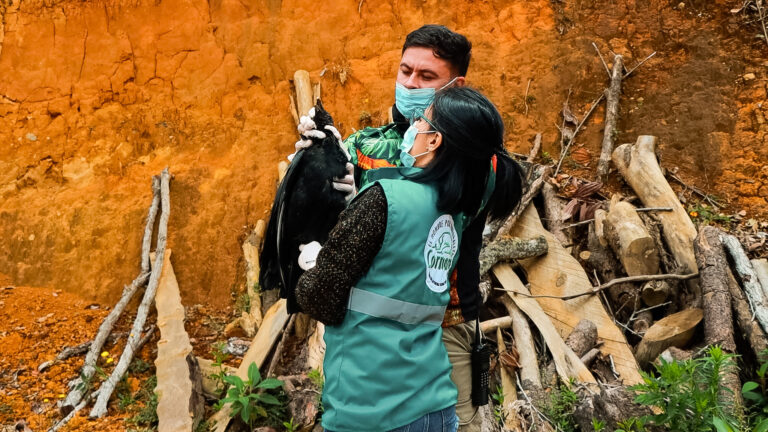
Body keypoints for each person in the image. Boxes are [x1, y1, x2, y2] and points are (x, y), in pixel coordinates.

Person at [294, 24, 519, 431]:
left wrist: (367, 192)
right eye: (405, 71)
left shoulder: (475, 160)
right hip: (370, 337)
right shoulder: (367, 143)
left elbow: (421, 204)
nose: (411, 83)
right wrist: (323, 163)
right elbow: (353, 235)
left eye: (426, 77)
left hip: (446, 328)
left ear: (455, 85)